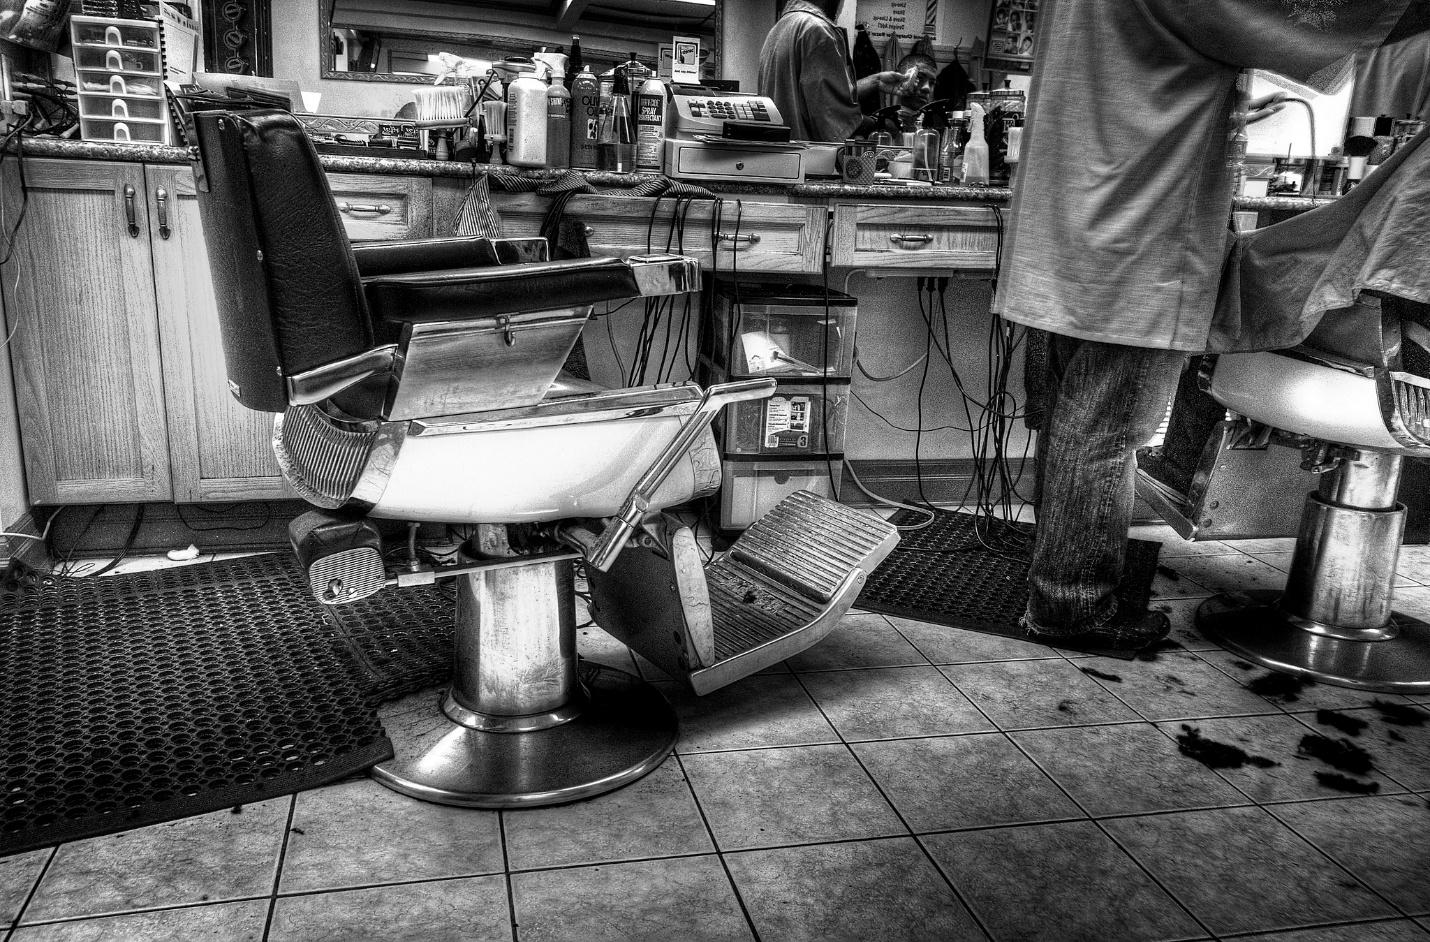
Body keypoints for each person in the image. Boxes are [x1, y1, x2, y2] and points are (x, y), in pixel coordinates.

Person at [993, 0, 1430, 653]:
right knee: (1109, 430)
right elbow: (1325, 15)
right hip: (1140, 230)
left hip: (1078, 216)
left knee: (1075, 419)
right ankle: (1072, 605)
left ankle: (1060, 590)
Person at [758, 0, 903, 142]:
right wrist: (881, 125)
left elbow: (812, 95)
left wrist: (876, 81)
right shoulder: (817, 31)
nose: (841, 5)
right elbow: (832, 121)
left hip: (779, 156)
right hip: (808, 160)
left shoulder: (780, 28)